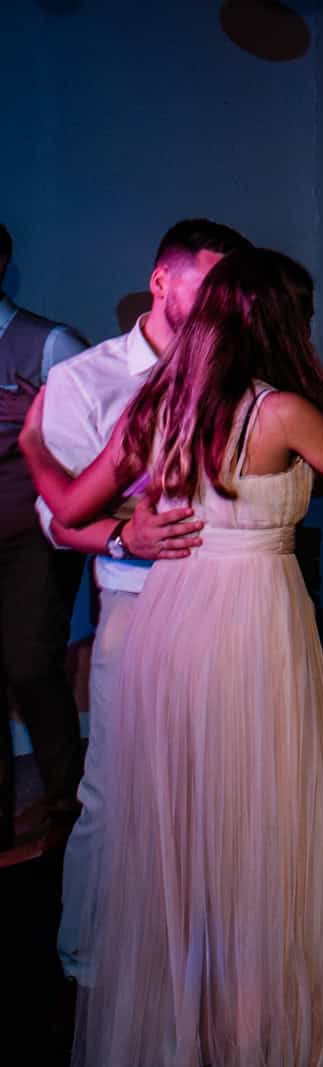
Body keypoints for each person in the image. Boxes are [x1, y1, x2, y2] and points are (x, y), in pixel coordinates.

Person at [22, 247, 323, 1064]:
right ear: (278, 320)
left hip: (172, 620)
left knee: (185, 817)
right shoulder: (280, 410)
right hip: (251, 620)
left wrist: (35, 442)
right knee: (259, 819)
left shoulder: (160, 404)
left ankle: (188, 1009)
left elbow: (66, 503)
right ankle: (251, 1026)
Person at [36, 218, 247, 978]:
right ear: (161, 281)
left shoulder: (236, 380)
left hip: (228, 605)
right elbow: (56, 518)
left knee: (212, 787)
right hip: (137, 605)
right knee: (116, 791)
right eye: (210, 282)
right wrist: (127, 537)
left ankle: (194, 943)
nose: (225, 300)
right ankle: (86, 953)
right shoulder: (86, 378)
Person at [0, 222, 88, 856]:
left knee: (31, 664)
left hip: (34, 531)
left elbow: (94, 451)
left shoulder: (48, 343)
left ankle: (66, 802)